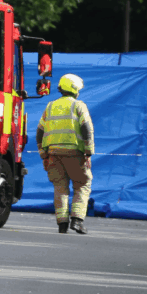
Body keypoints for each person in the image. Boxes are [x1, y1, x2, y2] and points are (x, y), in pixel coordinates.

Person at [36, 74, 94, 234]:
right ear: (75, 90)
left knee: (60, 187)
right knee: (82, 184)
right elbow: (87, 130)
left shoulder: (50, 106)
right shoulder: (79, 106)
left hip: (53, 154)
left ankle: (62, 223)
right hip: (75, 153)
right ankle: (77, 220)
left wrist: (44, 155)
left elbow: (39, 133)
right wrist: (88, 153)